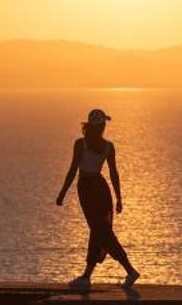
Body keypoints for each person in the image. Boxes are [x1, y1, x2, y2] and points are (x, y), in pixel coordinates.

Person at [55, 108, 140, 291]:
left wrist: (62, 193)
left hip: (88, 189)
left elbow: (73, 170)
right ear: (100, 127)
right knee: (98, 231)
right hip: (101, 189)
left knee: (102, 232)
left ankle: (130, 270)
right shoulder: (107, 146)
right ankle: (86, 276)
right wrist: (118, 197)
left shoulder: (81, 144)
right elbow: (113, 174)